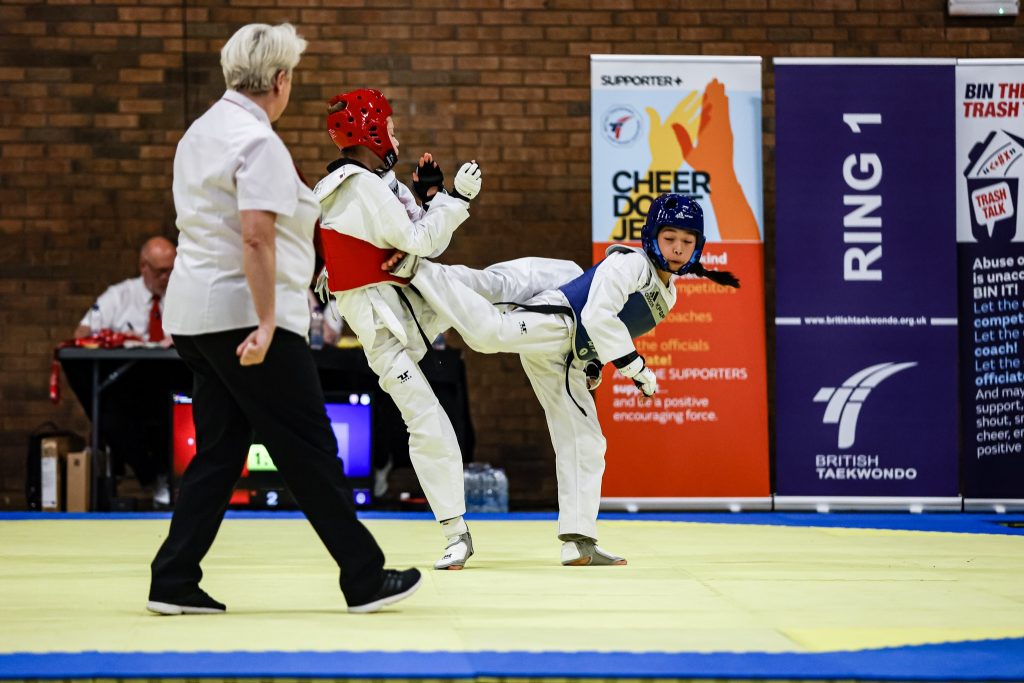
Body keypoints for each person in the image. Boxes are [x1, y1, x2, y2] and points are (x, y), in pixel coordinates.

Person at [148, 23, 420, 616]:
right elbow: (256, 238)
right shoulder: (258, 142)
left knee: (221, 450)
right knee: (309, 447)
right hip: (247, 319)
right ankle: (364, 577)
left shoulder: (199, 134)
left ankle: (171, 579)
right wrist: (269, 323)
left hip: (196, 315)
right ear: (279, 80)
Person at [396, 193, 740, 566]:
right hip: (560, 320)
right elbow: (596, 315)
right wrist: (636, 370)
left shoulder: (667, 295)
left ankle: (579, 540)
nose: (677, 248)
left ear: (698, 246)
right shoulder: (630, 264)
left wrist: (596, 365)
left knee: (586, 441)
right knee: (488, 334)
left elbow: (613, 328)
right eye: (669, 238)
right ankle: (420, 271)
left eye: (686, 241)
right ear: (651, 236)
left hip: (571, 355)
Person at [74, 235, 177, 505]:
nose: (168, 277)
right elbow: (81, 333)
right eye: (161, 271)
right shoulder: (119, 296)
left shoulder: (184, 296)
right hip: (124, 388)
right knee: (109, 419)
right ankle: (153, 478)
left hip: (172, 386)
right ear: (144, 267)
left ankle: (176, 482)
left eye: (173, 270)